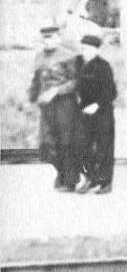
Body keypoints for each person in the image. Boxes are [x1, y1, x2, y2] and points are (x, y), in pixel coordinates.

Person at [28, 24, 81, 192]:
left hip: (65, 104)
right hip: (47, 106)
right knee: (47, 144)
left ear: (58, 37)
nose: (47, 41)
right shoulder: (39, 57)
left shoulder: (69, 56)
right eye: (45, 38)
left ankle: (70, 180)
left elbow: (77, 81)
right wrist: (32, 97)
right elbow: (36, 80)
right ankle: (62, 171)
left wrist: (56, 91)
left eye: (51, 37)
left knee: (66, 142)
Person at [74, 33, 117, 194]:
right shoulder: (79, 63)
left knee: (104, 148)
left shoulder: (104, 66)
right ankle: (89, 178)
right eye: (82, 48)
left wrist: (97, 105)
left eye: (87, 49)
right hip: (84, 112)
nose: (83, 51)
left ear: (96, 50)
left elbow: (111, 92)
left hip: (103, 112)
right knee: (83, 146)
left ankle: (105, 183)